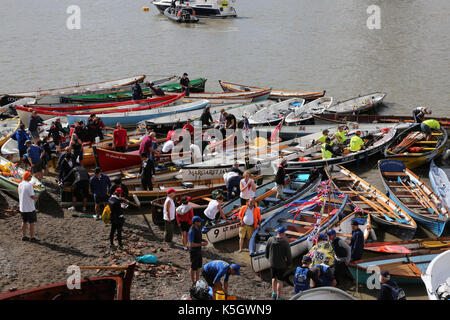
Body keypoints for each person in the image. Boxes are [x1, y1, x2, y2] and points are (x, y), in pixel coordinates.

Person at [265, 226, 292, 300]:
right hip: (281, 265)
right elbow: (289, 256)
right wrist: (289, 264)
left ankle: (273, 294)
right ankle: (279, 297)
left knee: (273, 278)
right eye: (285, 233)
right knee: (280, 281)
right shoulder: (285, 243)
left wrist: (268, 258)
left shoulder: (270, 239)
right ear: (283, 234)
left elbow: (266, 250)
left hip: (272, 264)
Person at [18, 171, 39, 242]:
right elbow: (32, 196)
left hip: (22, 207)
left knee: (24, 221)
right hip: (29, 207)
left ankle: (24, 236)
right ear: (27, 177)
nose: (31, 177)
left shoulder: (20, 184)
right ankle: (32, 237)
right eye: (30, 176)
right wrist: (37, 197)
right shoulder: (29, 185)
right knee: (31, 222)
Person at [189, 216, 208, 284]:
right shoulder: (191, 231)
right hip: (194, 251)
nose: (201, 222)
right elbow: (191, 244)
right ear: (195, 222)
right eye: (199, 221)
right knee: (193, 267)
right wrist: (202, 244)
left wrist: (204, 240)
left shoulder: (198, 228)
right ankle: (193, 281)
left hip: (199, 250)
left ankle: (197, 280)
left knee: (199, 266)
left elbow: (199, 238)